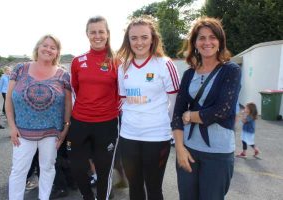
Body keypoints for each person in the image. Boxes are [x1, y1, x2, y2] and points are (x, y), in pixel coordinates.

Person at [171, 17, 241, 200]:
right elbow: (177, 113)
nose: (207, 42)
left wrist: (189, 115)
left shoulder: (231, 71)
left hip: (218, 153)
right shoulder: (188, 74)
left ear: (220, 41)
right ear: (195, 43)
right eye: (201, 38)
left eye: (212, 37)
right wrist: (179, 149)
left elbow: (221, 111)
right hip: (188, 149)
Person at [117, 16, 180, 200]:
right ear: (128, 40)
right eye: (134, 38)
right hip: (128, 136)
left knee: (153, 188)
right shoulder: (123, 67)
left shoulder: (165, 64)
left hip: (157, 136)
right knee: (135, 188)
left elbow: (175, 103)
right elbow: (122, 102)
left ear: (153, 38)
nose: (139, 42)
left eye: (144, 37)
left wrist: (168, 128)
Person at [7, 34, 72, 200]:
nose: (48, 49)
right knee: (18, 170)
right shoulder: (20, 69)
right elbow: (8, 99)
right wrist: (12, 127)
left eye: (53, 47)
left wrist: (65, 128)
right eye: (45, 45)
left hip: (51, 133)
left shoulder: (63, 75)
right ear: (38, 47)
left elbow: (67, 105)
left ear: (57, 52)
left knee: (48, 168)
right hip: (22, 133)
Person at [67, 16, 119, 200]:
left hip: (107, 123)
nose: (97, 36)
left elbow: (120, 93)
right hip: (80, 121)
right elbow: (76, 89)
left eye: (101, 32)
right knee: (76, 166)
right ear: (87, 34)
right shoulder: (77, 61)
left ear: (107, 34)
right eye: (93, 32)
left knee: (104, 170)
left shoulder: (118, 61)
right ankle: (87, 196)